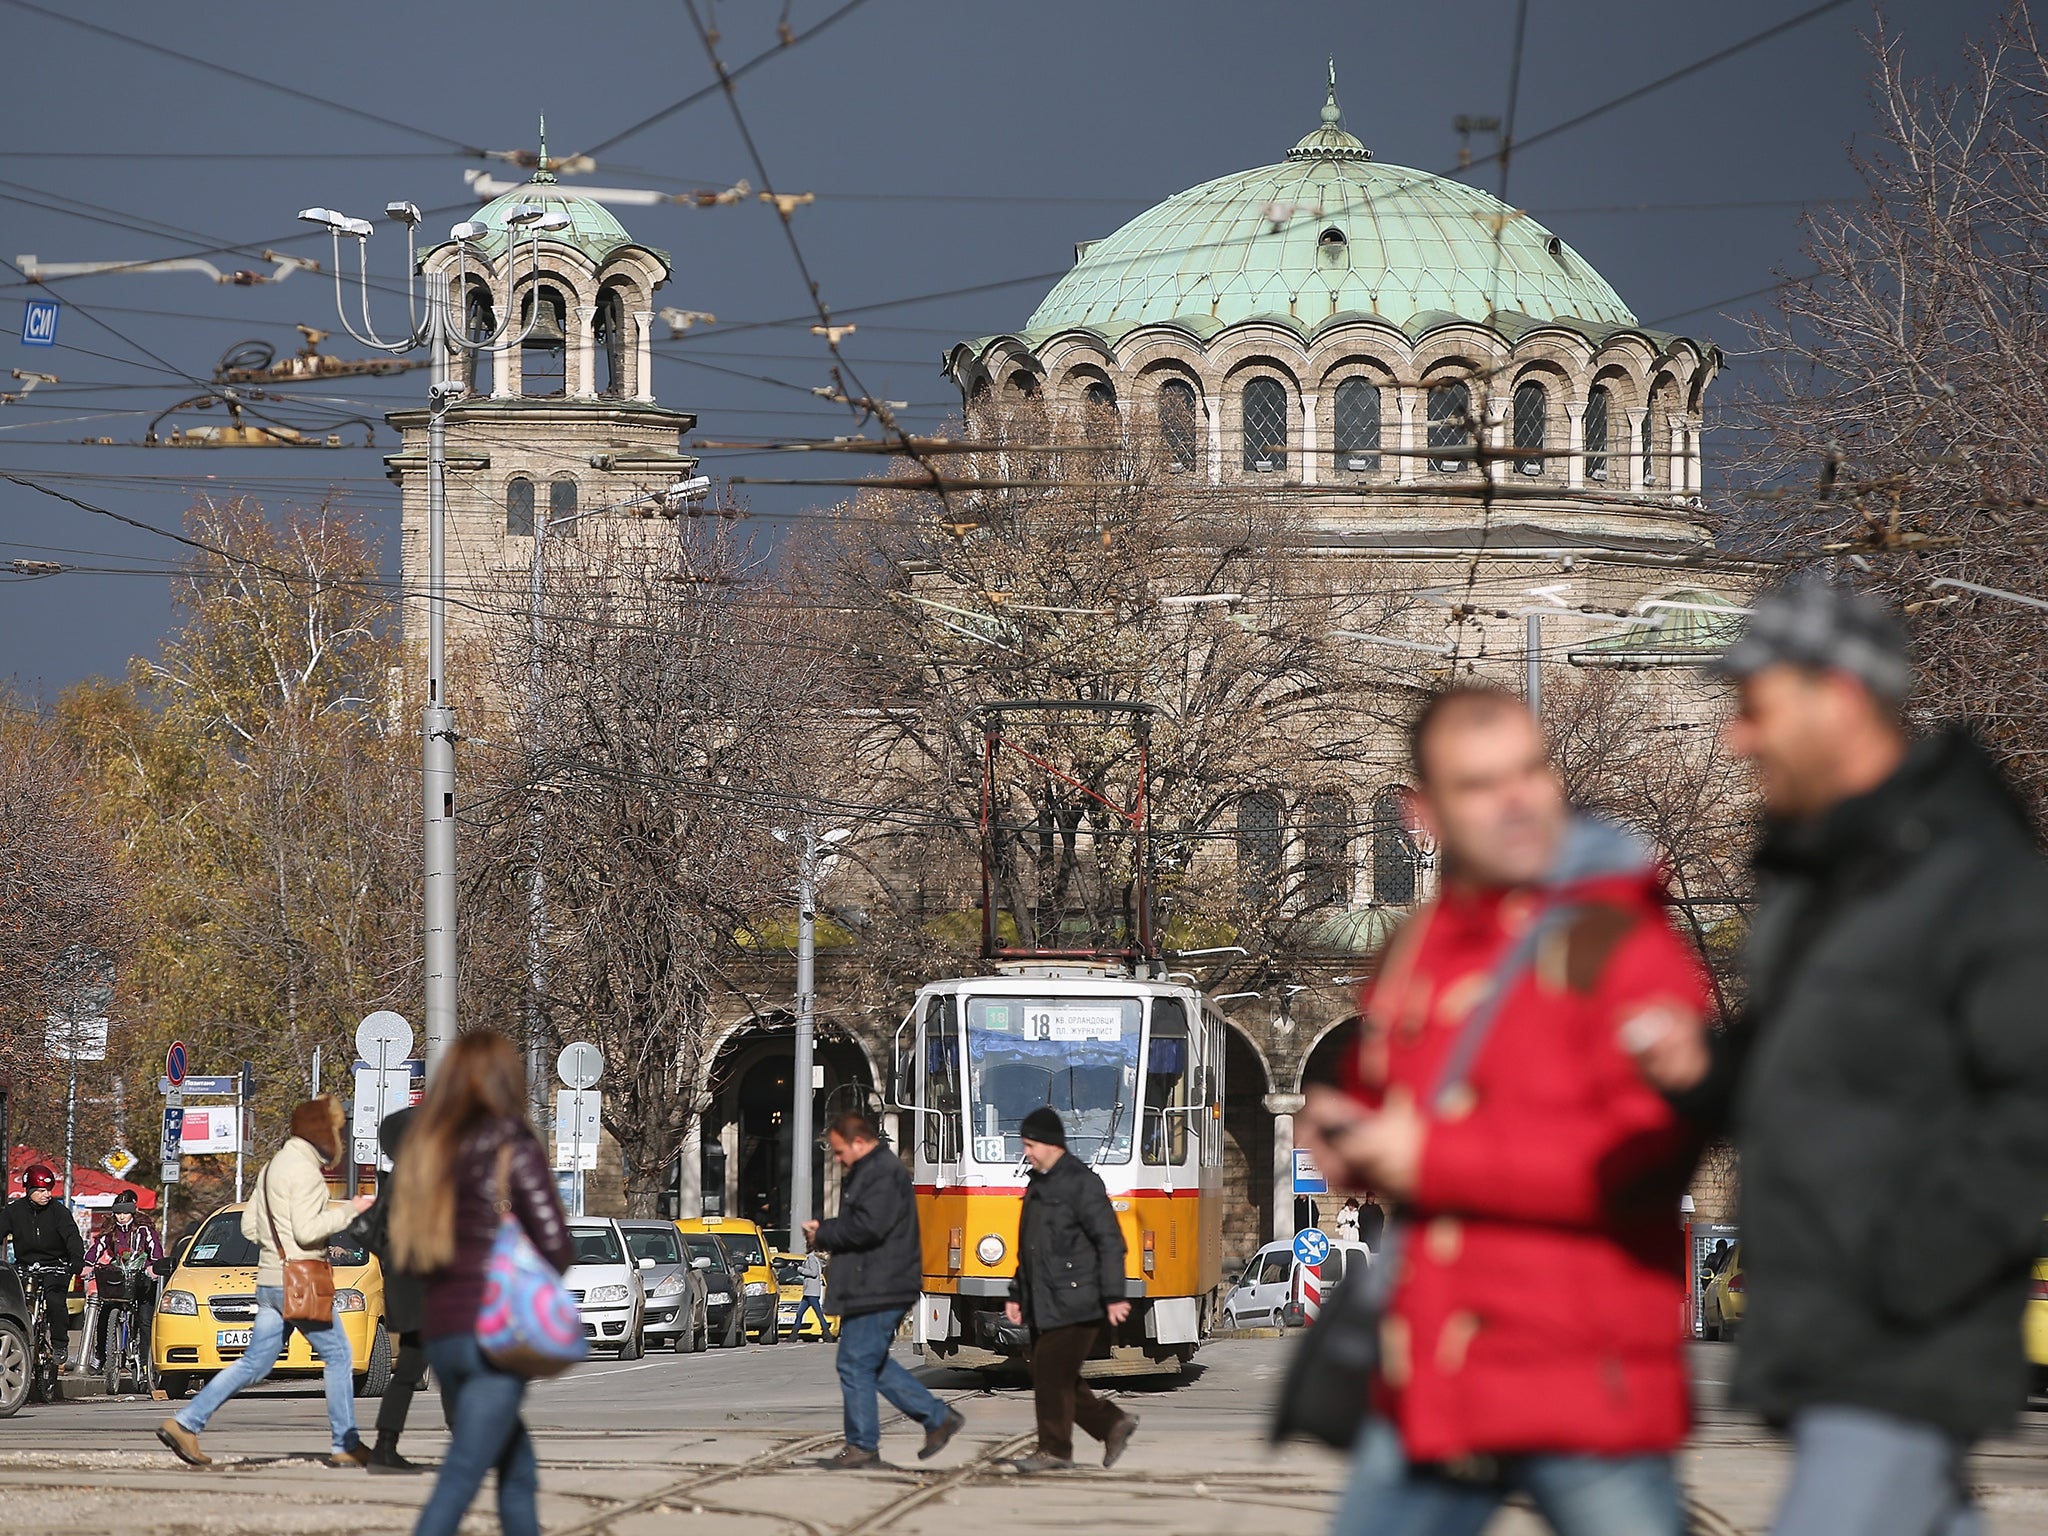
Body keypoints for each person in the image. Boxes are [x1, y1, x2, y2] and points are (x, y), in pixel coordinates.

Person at [1630, 581, 2048, 1536]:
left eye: (1756, 707)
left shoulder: (1972, 872)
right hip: (1828, 1319)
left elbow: (2029, 1100)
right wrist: (1704, 1074)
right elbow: (1802, 1061)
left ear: (1841, 700)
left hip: (1897, 1332)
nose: (1738, 738)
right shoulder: (1821, 872)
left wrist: (1911, 1274)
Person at [1299, 685, 1707, 1536]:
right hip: (1441, 1373)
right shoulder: (1420, 945)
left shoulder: (1616, 938)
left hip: (1580, 1378)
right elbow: (1398, 1087)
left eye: (1530, 770)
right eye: (1481, 784)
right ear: (1424, 814)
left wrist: (1435, 1158)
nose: (1517, 801)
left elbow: (1648, 1150)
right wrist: (1345, 1127)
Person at [390, 1032, 573, 1536]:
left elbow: (410, 1246)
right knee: (464, 1470)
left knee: (517, 1467)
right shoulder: (509, 1142)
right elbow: (557, 1244)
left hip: (443, 1331)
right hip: (493, 1331)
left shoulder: (429, 1147)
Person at [157, 1098, 374, 1468]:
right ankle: (345, 1443)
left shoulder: (274, 1166)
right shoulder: (305, 1172)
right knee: (338, 1356)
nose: (336, 1138)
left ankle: (185, 1423)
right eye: (335, 1131)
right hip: (301, 1281)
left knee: (255, 1362)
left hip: (271, 1281)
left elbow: (249, 1226)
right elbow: (307, 1231)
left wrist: (277, 1249)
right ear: (321, 1132)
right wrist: (350, 1210)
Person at [802, 1112, 964, 1468]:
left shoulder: (880, 1172)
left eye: (840, 1151)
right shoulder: (873, 1171)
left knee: (855, 1362)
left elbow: (869, 1227)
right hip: (874, 1282)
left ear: (859, 1142)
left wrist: (823, 1234)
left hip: (880, 1284)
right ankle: (935, 1418)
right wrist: (827, 1229)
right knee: (866, 1362)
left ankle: (864, 1445)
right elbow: (866, 1223)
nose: (837, 1158)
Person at [1004, 1107, 1139, 1473]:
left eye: (1031, 1145)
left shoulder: (1082, 1183)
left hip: (1079, 1298)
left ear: (1051, 1144)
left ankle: (1055, 1450)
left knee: (1049, 1372)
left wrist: (1113, 1295)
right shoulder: (1039, 1183)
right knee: (1055, 1374)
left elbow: (1110, 1241)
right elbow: (1031, 1247)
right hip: (1046, 1297)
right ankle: (1111, 1424)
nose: (1027, 1152)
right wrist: (1017, 1293)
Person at [346, 1107, 431, 1474]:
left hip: (408, 1285)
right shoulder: (416, 1179)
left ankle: (385, 1446)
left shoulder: (401, 1177)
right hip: (424, 1286)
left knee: (414, 1367)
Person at [2, 1163, 84, 1371]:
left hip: (55, 1267)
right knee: (11, 1302)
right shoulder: (14, 1211)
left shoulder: (59, 1212)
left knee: (56, 1302)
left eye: (48, 1190)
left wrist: (75, 1260)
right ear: (29, 1190)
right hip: (25, 1265)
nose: (46, 1194)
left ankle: (59, 1345)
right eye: (40, 1190)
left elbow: (72, 1238)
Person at [87, 1189, 162, 1371]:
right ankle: (101, 1354)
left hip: (142, 1279)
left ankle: (145, 1363)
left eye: (125, 1212)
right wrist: (88, 1264)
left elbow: (155, 1250)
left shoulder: (144, 1229)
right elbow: (98, 1247)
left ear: (133, 1212)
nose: (121, 1217)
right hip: (119, 1279)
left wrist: (153, 1266)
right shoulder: (110, 1231)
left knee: (145, 1320)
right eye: (118, 1212)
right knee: (105, 1313)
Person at [796, 1248, 831, 1341]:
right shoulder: (814, 1258)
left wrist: (799, 1269)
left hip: (811, 1291)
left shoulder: (811, 1258)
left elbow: (813, 1273)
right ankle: (793, 1336)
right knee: (799, 1314)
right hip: (809, 1291)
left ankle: (827, 1333)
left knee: (818, 1314)